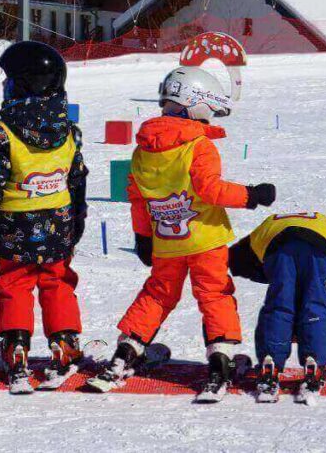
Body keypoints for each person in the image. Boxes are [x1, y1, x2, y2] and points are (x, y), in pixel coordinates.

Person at [90, 66, 276, 399]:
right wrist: (252, 195)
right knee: (214, 294)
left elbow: (138, 198)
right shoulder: (198, 146)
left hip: (166, 240)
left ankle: (127, 351)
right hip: (206, 240)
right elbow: (210, 190)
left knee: (158, 295)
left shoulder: (142, 150)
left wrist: (143, 237)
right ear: (197, 104)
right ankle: (221, 360)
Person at [0, 41, 88, 393]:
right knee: (57, 280)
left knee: (15, 282)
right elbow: (77, 178)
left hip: (14, 224)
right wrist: (77, 218)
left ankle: (15, 343)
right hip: (58, 221)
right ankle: (64, 341)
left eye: (8, 82)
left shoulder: (2, 132)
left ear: (22, 84)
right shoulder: (68, 130)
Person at [229, 212, 326, 401]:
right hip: (321, 246)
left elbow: (239, 262)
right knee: (314, 305)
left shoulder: (254, 240)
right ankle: (316, 364)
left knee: (279, 305)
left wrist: (275, 279)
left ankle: (270, 363)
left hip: (278, 246)